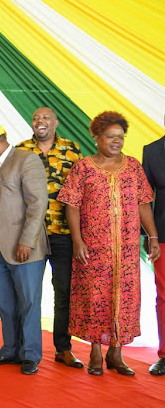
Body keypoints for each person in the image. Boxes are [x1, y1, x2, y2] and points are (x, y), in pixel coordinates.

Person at [58, 111, 160, 376]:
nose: (117, 141)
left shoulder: (133, 166)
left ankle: (116, 354)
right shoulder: (83, 167)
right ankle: (95, 352)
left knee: (123, 299)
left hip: (126, 250)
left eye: (121, 137)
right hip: (92, 250)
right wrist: (77, 241)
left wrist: (153, 236)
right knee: (94, 299)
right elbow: (72, 206)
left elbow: (144, 204)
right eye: (111, 136)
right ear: (97, 137)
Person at [0, 121, 49, 376]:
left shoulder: (26, 159)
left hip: (23, 245)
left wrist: (27, 240)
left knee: (28, 301)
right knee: (5, 302)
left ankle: (30, 355)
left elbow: (38, 204)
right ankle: (10, 350)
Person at [15, 107, 84, 369]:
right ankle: (27, 349)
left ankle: (63, 349)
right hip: (30, 236)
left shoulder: (72, 149)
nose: (40, 121)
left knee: (64, 292)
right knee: (28, 293)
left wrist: (81, 236)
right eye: (35, 118)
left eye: (45, 118)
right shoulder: (20, 150)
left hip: (64, 234)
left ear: (56, 122)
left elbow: (81, 193)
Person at [143, 128, 165, 376]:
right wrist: (151, 236)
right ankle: (164, 355)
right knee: (164, 295)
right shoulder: (151, 151)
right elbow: (144, 198)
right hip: (163, 233)